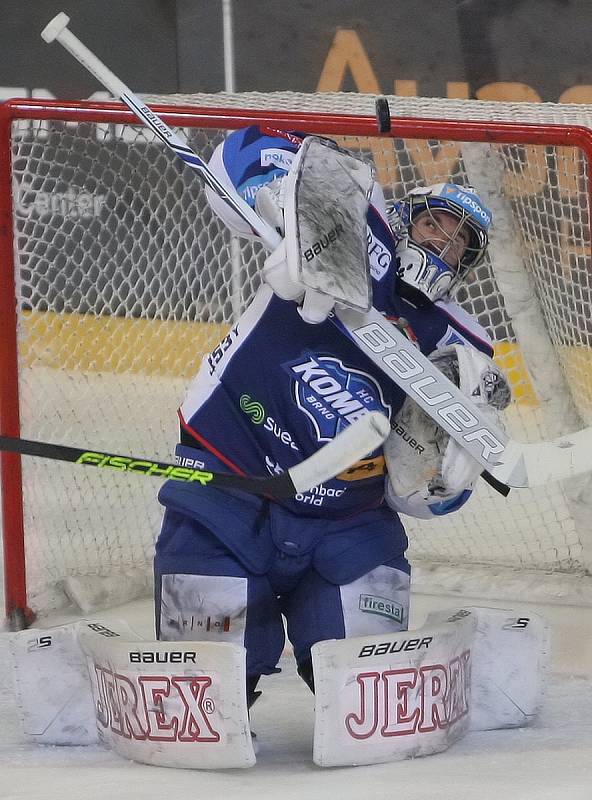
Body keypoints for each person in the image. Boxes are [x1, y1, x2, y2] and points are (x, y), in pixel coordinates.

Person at [153, 125, 510, 709]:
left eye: (458, 244)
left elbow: (421, 492)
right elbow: (243, 149)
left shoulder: (460, 343)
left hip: (348, 522)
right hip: (230, 477)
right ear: (405, 218)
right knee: (204, 692)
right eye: (434, 226)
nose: (442, 246)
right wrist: (284, 210)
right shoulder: (347, 219)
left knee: (366, 696)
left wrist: (442, 476)